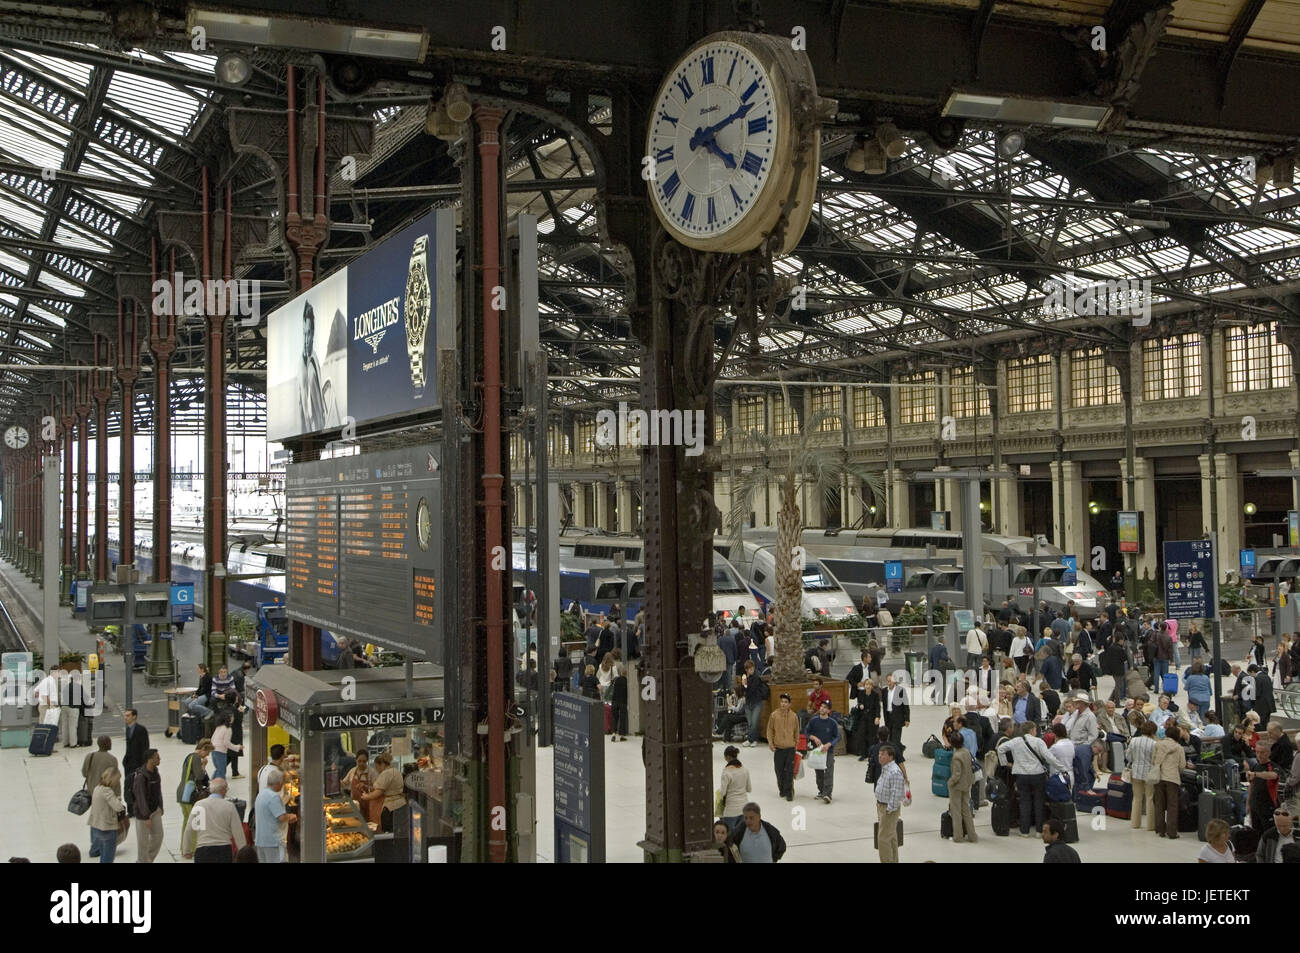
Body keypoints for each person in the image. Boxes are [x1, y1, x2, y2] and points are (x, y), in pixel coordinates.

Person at [998, 722, 1054, 837]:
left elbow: (1000, 749)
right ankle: (1039, 831)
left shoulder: (1016, 741)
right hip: (1038, 774)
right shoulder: (1039, 741)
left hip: (1021, 775)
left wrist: (1005, 763)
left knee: (1024, 802)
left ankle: (1024, 831)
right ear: (1032, 730)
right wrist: (1061, 768)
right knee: (1039, 802)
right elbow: (1048, 757)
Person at [182, 777, 246, 863]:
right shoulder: (229, 806)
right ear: (223, 790)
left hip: (203, 850)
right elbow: (237, 831)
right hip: (223, 850)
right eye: (226, 789)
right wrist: (243, 852)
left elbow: (189, 829)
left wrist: (186, 850)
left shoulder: (199, 805)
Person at [253, 766, 298, 863]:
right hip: (273, 842)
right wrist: (291, 816)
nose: (282, 785)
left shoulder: (261, 795)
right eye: (282, 783)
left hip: (261, 840)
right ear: (278, 783)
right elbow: (281, 817)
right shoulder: (273, 797)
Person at [176, 739, 213, 848]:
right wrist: (204, 766)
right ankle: (191, 848)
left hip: (182, 793)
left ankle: (184, 847)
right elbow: (200, 776)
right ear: (203, 749)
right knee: (193, 823)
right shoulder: (196, 758)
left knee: (187, 822)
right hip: (189, 795)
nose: (207, 755)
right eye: (208, 752)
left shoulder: (189, 757)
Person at [1151, 723, 1186, 839]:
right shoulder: (1179, 748)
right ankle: (1171, 832)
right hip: (1172, 778)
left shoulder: (1158, 744)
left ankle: (1160, 829)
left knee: (1159, 804)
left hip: (1159, 777)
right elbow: (1182, 765)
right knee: (1172, 805)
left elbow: (1153, 760)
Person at [131, 748, 164, 863]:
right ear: (150, 760)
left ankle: (148, 860)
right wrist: (146, 816)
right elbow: (140, 797)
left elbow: (158, 790)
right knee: (143, 842)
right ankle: (142, 860)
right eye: (157, 757)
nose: (159, 759)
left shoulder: (155, 772)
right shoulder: (141, 776)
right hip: (143, 814)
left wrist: (161, 806)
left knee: (158, 836)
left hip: (155, 810)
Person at [875, 744, 906, 863]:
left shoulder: (895, 772)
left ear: (891, 757)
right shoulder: (886, 768)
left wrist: (890, 809)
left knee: (883, 839)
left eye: (883, 754)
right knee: (891, 837)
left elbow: (897, 793)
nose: (880, 756)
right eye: (879, 754)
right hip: (881, 806)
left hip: (889, 810)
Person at [88, 767, 126, 864]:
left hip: (96, 826)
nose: (117, 782)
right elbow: (118, 807)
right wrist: (119, 801)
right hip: (107, 828)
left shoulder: (97, 788)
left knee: (103, 854)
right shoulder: (107, 791)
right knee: (108, 857)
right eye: (117, 779)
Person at [805, 699, 840, 803]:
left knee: (829, 771)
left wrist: (829, 744)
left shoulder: (833, 723)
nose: (822, 709)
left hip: (828, 751)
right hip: (817, 751)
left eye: (825, 707)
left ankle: (828, 794)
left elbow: (837, 736)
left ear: (829, 710)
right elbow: (807, 732)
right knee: (819, 772)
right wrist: (814, 738)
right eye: (821, 706)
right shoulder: (814, 721)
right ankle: (821, 791)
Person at [362, 752, 406, 833]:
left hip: (390, 808)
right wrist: (367, 787)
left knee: (389, 833)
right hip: (401, 805)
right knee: (399, 831)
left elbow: (378, 792)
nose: (376, 769)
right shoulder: (396, 771)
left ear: (381, 764)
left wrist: (366, 797)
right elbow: (387, 788)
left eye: (376, 767)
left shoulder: (386, 773)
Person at [767, 693, 799, 802]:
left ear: (789, 704)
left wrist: (796, 744)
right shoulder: (774, 715)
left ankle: (789, 791)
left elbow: (796, 731)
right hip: (779, 748)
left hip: (790, 747)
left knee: (789, 771)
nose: (783, 704)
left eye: (786, 702)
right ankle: (782, 788)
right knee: (779, 770)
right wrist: (771, 743)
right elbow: (770, 729)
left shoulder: (794, 716)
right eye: (782, 702)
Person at [947, 730, 977, 843]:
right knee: (966, 811)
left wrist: (950, 782)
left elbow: (956, 774)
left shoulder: (956, 757)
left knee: (956, 812)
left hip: (957, 786)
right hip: (967, 784)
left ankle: (958, 836)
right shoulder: (967, 752)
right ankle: (972, 835)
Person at [1246, 741, 1281, 832]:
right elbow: (1251, 786)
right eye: (1257, 752)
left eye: (1262, 752)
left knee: (1268, 833)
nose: (1259, 755)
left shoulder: (1273, 766)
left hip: (1267, 807)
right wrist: (1248, 803)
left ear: (1268, 753)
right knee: (1255, 833)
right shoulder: (1256, 766)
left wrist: (1256, 774)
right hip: (1255, 806)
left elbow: (1273, 775)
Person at [121, 708, 149, 815]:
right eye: (125, 715)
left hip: (138, 763)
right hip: (129, 763)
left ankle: (140, 807)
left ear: (134, 716)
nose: (126, 718)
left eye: (128, 715)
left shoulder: (141, 730)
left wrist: (144, 764)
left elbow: (145, 747)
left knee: (138, 786)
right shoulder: (128, 729)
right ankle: (131, 809)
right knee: (128, 786)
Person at [718, 746, 751, 830]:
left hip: (730, 810)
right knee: (740, 835)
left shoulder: (726, 772)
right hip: (744, 808)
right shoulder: (745, 770)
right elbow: (749, 789)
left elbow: (722, 793)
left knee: (729, 836)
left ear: (728, 757)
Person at [740, 659, 768, 748]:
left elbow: (751, 689)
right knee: (750, 723)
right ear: (746, 670)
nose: (751, 670)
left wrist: (745, 686)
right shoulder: (745, 678)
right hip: (748, 702)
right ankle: (751, 739)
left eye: (752, 669)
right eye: (749, 669)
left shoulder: (756, 677)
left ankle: (752, 739)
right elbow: (743, 689)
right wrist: (744, 684)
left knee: (754, 722)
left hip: (756, 702)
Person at [81, 736, 119, 801]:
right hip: (106, 794)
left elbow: (84, 773)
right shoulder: (112, 759)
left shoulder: (89, 756)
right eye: (109, 742)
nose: (111, 744)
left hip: (92, 792)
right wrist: (118, 796)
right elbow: (115, 780)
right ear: (106, 744)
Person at [210, 712, 242, 780]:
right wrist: (237, 747)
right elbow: (226, 743)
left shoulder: (219, 727)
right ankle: (217, 787)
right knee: (221, 771)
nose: (233, 718)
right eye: (232, 717)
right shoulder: (228, 729)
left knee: (218, 770)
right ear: (229, 719)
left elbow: (212, 738)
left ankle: (211, 784)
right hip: (221, 751)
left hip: (214, 750)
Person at [883, 674, 910, 747]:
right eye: (888, 681)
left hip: (897, 718)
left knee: (896, 739)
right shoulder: (884, 691)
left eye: (891, 681)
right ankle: (898, 750)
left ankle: (897, 754)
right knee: (889, 738)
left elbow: (905, 705)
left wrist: (907, 719)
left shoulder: (900, 690)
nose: (889, 683)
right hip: (888, 717)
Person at [610, 664, 629, 741]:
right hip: (622, 702)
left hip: (614, 701)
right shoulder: (625, 680)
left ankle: (613, 734)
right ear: (626, 673)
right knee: (622, 718)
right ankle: (622, 735)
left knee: (615, 718)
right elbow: (625, 693)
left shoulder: (616, 680)